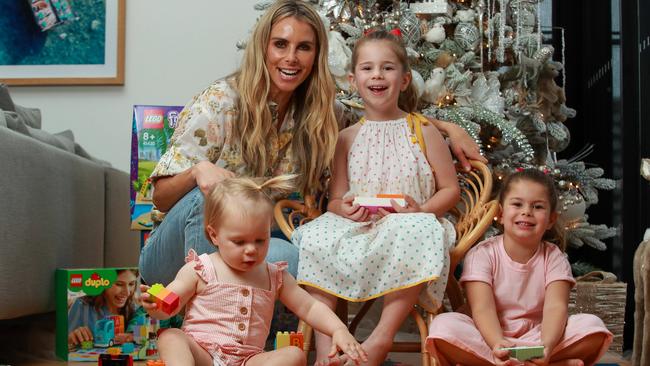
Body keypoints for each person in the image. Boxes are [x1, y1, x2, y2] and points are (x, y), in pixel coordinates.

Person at [138, 0, 485, 287]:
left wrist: (446, 127)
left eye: (303, 48)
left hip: (252, 244)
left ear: (315, 56)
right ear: (263, 48)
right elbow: (162, 197)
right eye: (280, 45)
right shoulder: (220, 102)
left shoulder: (324, 113)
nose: (291, 58)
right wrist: (199, 170)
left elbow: (380, 114)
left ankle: (265, 343)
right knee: (210, 196)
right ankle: (211, 334)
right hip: (174, 256)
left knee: (298, 258)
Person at [292, 30, 461, 366]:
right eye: (368, 69)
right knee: (315, 236)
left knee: (416, 228)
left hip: (407, 225)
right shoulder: (346, 137)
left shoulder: (423, 130)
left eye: (387, 68)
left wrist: (423, 209)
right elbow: (335, 200)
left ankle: (381, 338)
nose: (377, 76)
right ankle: (329, 348)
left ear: (404, 79)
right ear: (354, 80)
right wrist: (346, 209)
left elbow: (451, 190)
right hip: (361, 227)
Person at [140, 175, 368, 366]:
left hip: (249, 360)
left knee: (294, 356)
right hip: (203, 356)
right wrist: (157, 306)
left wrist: (338, 329)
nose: (251, 250)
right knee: (171, 337)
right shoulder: (200, 268)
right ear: (214, 235)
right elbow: (172, 302)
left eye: (260, 240)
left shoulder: (274, 276)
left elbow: (309, 307)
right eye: (239, 242)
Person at [426, 168, 613, 366]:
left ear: (551, 220)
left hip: (538, 336)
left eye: (538, 207)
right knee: (443, 328)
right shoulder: (482, 254)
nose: (526, 212)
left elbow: (555, 307)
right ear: (499, 213)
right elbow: (482, 308)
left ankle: (536, 360)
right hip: (490, 337)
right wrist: (497, 343)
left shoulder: (554, 257)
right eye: (517, 204)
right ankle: (546, 363)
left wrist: (546, 346)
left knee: (592, 327)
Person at [67, 269, 139, 348]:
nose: (127, 292)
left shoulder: (135, 310)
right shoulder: (82, 306)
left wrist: (134, 336)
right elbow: (64, 342)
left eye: (131, 284)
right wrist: (71, 338)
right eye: (119, 284)